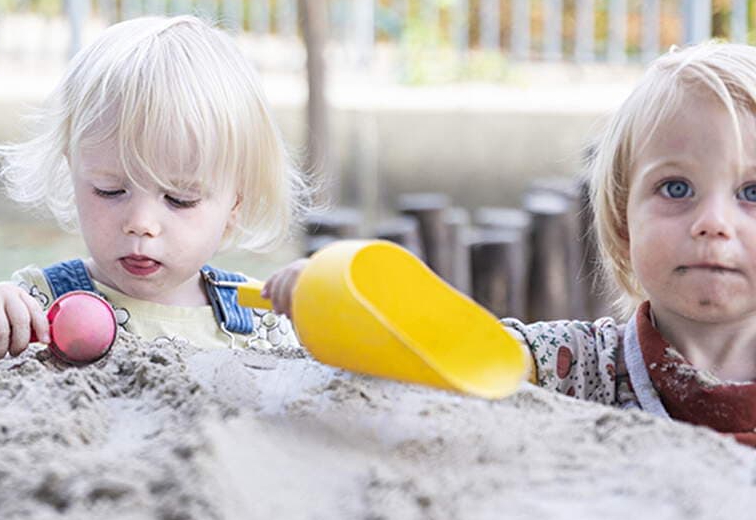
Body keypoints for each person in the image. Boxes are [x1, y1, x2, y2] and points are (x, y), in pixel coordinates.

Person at [268, 41, 756, 447]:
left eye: (751, 193)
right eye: (676, 188)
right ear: (623, 224)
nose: (712, 222)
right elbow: (451, 348)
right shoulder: (582, 362)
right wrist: (330, 292)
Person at [0, 15, 311, 364]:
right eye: (110, 190)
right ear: (75, 172)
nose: (141, 224)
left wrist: (325, 305)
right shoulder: (38, 305)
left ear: (236, 201)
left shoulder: (264, 319)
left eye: (180, 199)